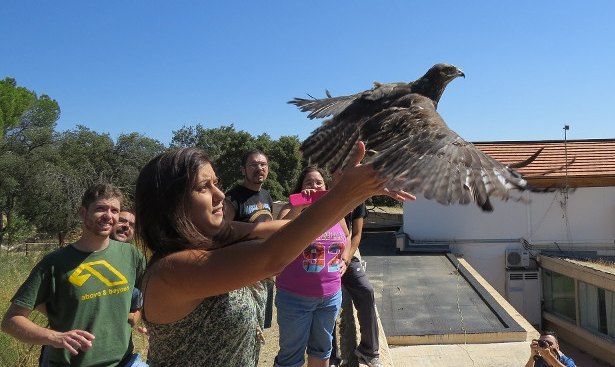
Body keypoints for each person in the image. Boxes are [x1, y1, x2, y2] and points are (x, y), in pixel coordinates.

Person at [134, 143, 413, 367]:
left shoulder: (222, 236)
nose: (219, 195)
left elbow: (289, 229)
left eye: (216, 183)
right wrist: (345, 191)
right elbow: (273, 256)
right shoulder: (172, 270)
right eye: (203, 187)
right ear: (171, 203)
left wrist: (357, 193)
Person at [1, 184, 147, 367]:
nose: (108, 216)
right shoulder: (54, 263)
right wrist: (54, 337)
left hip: (125, 362)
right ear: (82, 212)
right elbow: (11, 321)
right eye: (101, 208)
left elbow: (152, 294)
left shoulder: (131, 255)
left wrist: (150, 322)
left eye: (114, 210)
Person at [274, 166, 348, 367]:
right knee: (290, 357)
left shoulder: (335, 210)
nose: (314, 187)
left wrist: (345, 260)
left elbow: (346, 236)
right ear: (301, 187)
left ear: (325, 187)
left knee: (322, 350)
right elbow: (278, 235)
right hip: (295, 298)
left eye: (318, 183)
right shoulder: (290, 209)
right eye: (309, 183)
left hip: (330, 297)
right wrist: (300, 206)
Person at [330, 169, 382, 367]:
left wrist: (346, 259)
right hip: (324, 259)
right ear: (332, 173)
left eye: (348, 170)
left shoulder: (357, 198)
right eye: (339, 170)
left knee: (366, 291)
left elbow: (357, 233)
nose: (343, 174)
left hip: (346, 257)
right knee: (328, 303)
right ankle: (330, 356)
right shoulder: (324, 195)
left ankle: (368, 350)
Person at [224, 149, 276, 328]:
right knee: (243, 325)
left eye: (263, 164)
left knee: (261, 324)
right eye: (253, 165)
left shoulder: (266, 195)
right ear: (243, 170)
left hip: (265, 270)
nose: (259, 168)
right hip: (243, 272)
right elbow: (224, 232)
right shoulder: (232, 197)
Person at [110, 209, 145, 330]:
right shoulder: (90, 251)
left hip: (119, 334)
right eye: (122, 221)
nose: (126, 226)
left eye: (132, 225)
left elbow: (143, 289)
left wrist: (136, 312)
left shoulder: (136, 256)